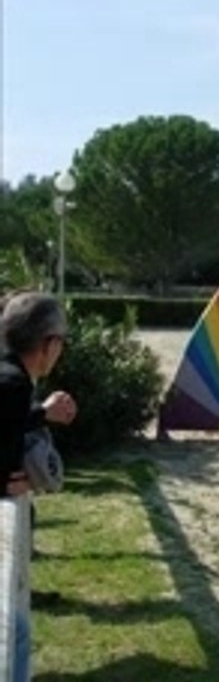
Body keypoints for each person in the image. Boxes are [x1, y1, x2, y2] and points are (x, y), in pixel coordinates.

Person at [0, 292, 71, 682]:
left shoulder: (10, 379)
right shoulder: (11, 384)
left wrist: (41, 413)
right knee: (15, 636)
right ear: (49, 344)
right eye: (62, 341)